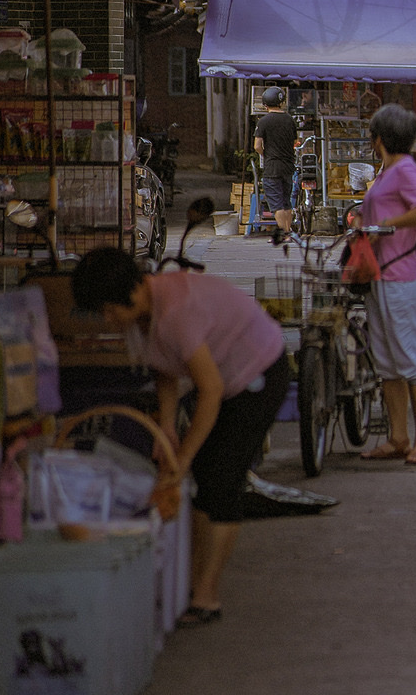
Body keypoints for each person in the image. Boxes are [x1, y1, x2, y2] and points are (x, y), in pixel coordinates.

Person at [72, 248, 290, 624]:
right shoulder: (143, 318)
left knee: (220, 478)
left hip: (259, 372)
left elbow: (209, 390)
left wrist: (183, 456)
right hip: (226, 380)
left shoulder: (175, 314)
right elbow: (165, 369)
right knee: (206, 474)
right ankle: (190, 583)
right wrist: (167, 427)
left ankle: (206, 595)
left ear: (130, 292)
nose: (108, 320)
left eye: (109, 310)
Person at [354, 103, 416, 467]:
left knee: (411, 360)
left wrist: (390, 222)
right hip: (380, 275)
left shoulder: (403, 168)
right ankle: (398, 436)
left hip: (400, 277)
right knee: (388, 364)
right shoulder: (387, 170)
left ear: (379, 138)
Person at [253, 85, 298, 244]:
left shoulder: (263, 122)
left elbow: (257, 146)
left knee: (276, 204)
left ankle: (284, 234)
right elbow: (294, 142)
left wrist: (266, 154)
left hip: (272, 167)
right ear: (281, 102)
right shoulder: (289, 120)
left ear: (265, 104)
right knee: (286, 202)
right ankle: (288, 232)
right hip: (288, 166)